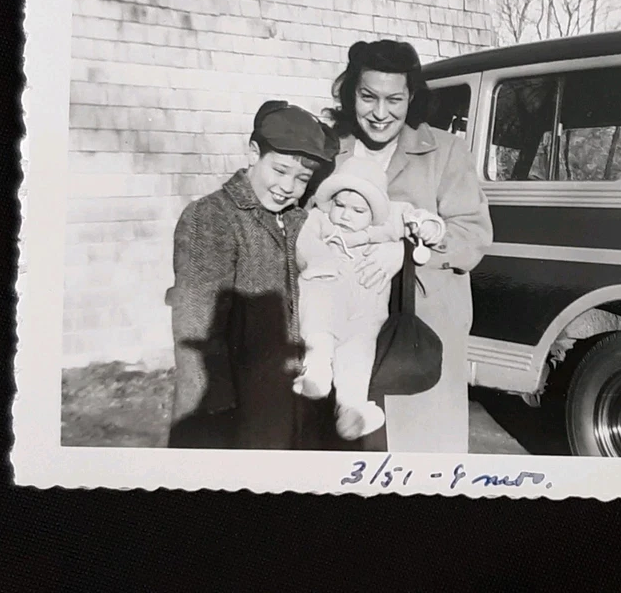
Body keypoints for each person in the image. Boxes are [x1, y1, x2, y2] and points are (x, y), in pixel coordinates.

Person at [324, 39, 494, 454]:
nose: (380, 113)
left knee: (419, 455)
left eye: (394, 99)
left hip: (420, 336)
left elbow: (472, 237)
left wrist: (405, 254)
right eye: (368, 97)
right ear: (351, 94)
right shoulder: (331, 150)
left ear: (411, 98)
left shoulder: (446, 151)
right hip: (346, 332)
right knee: (353, 455)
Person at [165, 100, 340, 449]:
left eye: (302, 179)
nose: (288, 186)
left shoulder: (299, 220)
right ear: (253, 153)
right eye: (279, 170)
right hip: (237, 404)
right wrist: (212, 412)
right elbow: (197, 324)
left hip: (292, 397)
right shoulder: (213, 216)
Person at [291, 156, 447, 442]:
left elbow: (419, 218)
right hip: (328, 289)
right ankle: (317, 372)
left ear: (374, 211)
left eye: (357, 210)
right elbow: (304, 241)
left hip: (366, 308)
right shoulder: (321, 219)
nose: (345, 215)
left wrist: (429, 227)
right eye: (339, 205)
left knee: (359, 354)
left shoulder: (389, 219)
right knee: (318, 322)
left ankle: (351, 409)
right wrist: (321, 262)